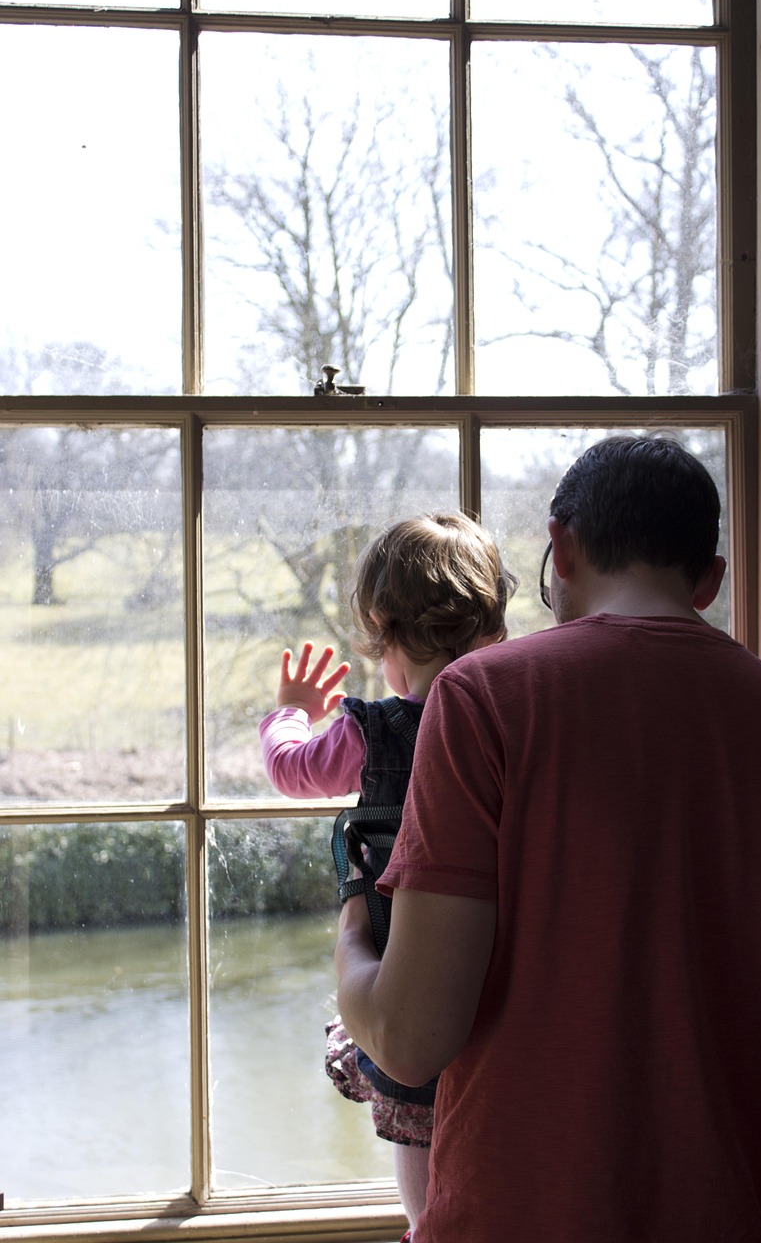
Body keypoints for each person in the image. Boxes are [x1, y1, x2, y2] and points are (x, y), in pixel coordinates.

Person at [334, 434, 761, 1243]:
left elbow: (408, 1039)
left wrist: (351, 930)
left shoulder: (486, 698)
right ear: (709, 581)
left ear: (561, 549)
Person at [259, 512, 516, 1241]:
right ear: (490, 626)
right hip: (505, 944)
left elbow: (293, 771)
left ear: (381, 628)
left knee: (415, 1117)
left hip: (400, 955)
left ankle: (424, 1227)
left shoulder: (370, 729)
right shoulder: (516, 712)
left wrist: (291, 715)